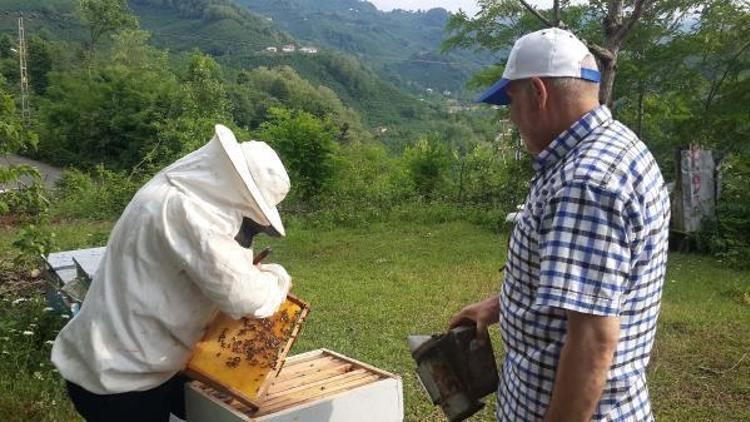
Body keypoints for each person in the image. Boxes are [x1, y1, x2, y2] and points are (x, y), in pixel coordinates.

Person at [450, 28, 670, 421]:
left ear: (538, 93)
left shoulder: (584, 184)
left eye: (511, 100)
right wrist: (499, 305)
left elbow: (592, 344)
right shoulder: (615, 147)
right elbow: (594, 291)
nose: (511, 115)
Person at [51, 124, 293, 421]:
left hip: (118, 362)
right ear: (242, 193)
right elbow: (245, 297)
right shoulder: (191, 214)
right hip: (122, 380)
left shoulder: (167, 189)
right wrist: (277, 278)